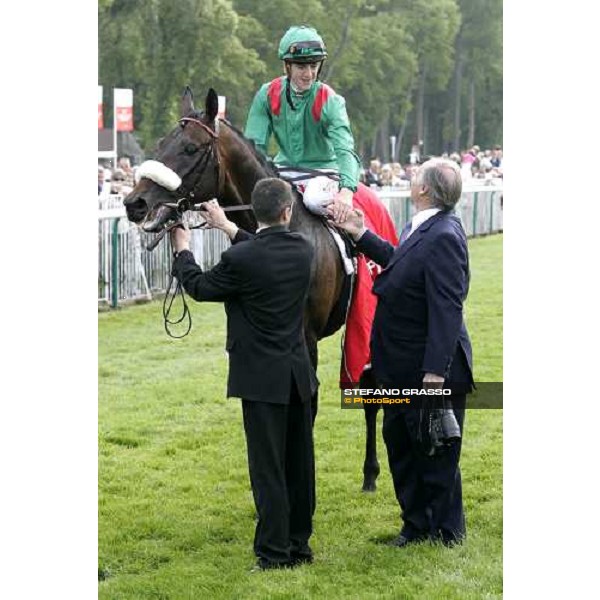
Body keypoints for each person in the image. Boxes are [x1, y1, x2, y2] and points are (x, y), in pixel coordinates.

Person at [170, 179, 318, 571]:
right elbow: (264, 249)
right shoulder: (303, 248)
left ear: (255, 210)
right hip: (297, 375)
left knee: (267, 469)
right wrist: (226, 227)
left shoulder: (243, 260)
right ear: (287, 212)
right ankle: (299, 546)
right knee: (299, 465)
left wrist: (182, 249)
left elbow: (199, 286)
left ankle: (273, 553)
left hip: (261, 379)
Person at [330, 158, 473, 547]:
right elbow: (400, 264)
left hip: (425, 369)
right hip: (398, 364)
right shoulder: (420, 226)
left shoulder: (444, 234)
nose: (411, 179)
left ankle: (447, 531)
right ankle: (415, 525)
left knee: (435, 450)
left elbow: (448, 307)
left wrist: (434, 373)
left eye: (416, 176)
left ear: (425, 190)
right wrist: (359, 232)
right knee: (403, 447)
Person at [244, 25, 361, 223]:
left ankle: (348, 246)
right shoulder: (266, 94)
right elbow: (255, 147)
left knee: (313, 200)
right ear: (286, 66)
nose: (309, 74)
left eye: (314, 66)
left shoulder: (330, 100)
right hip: (282, 170)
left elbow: (345, 150)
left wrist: (347, 191)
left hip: (324, 174)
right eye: (301, 66)